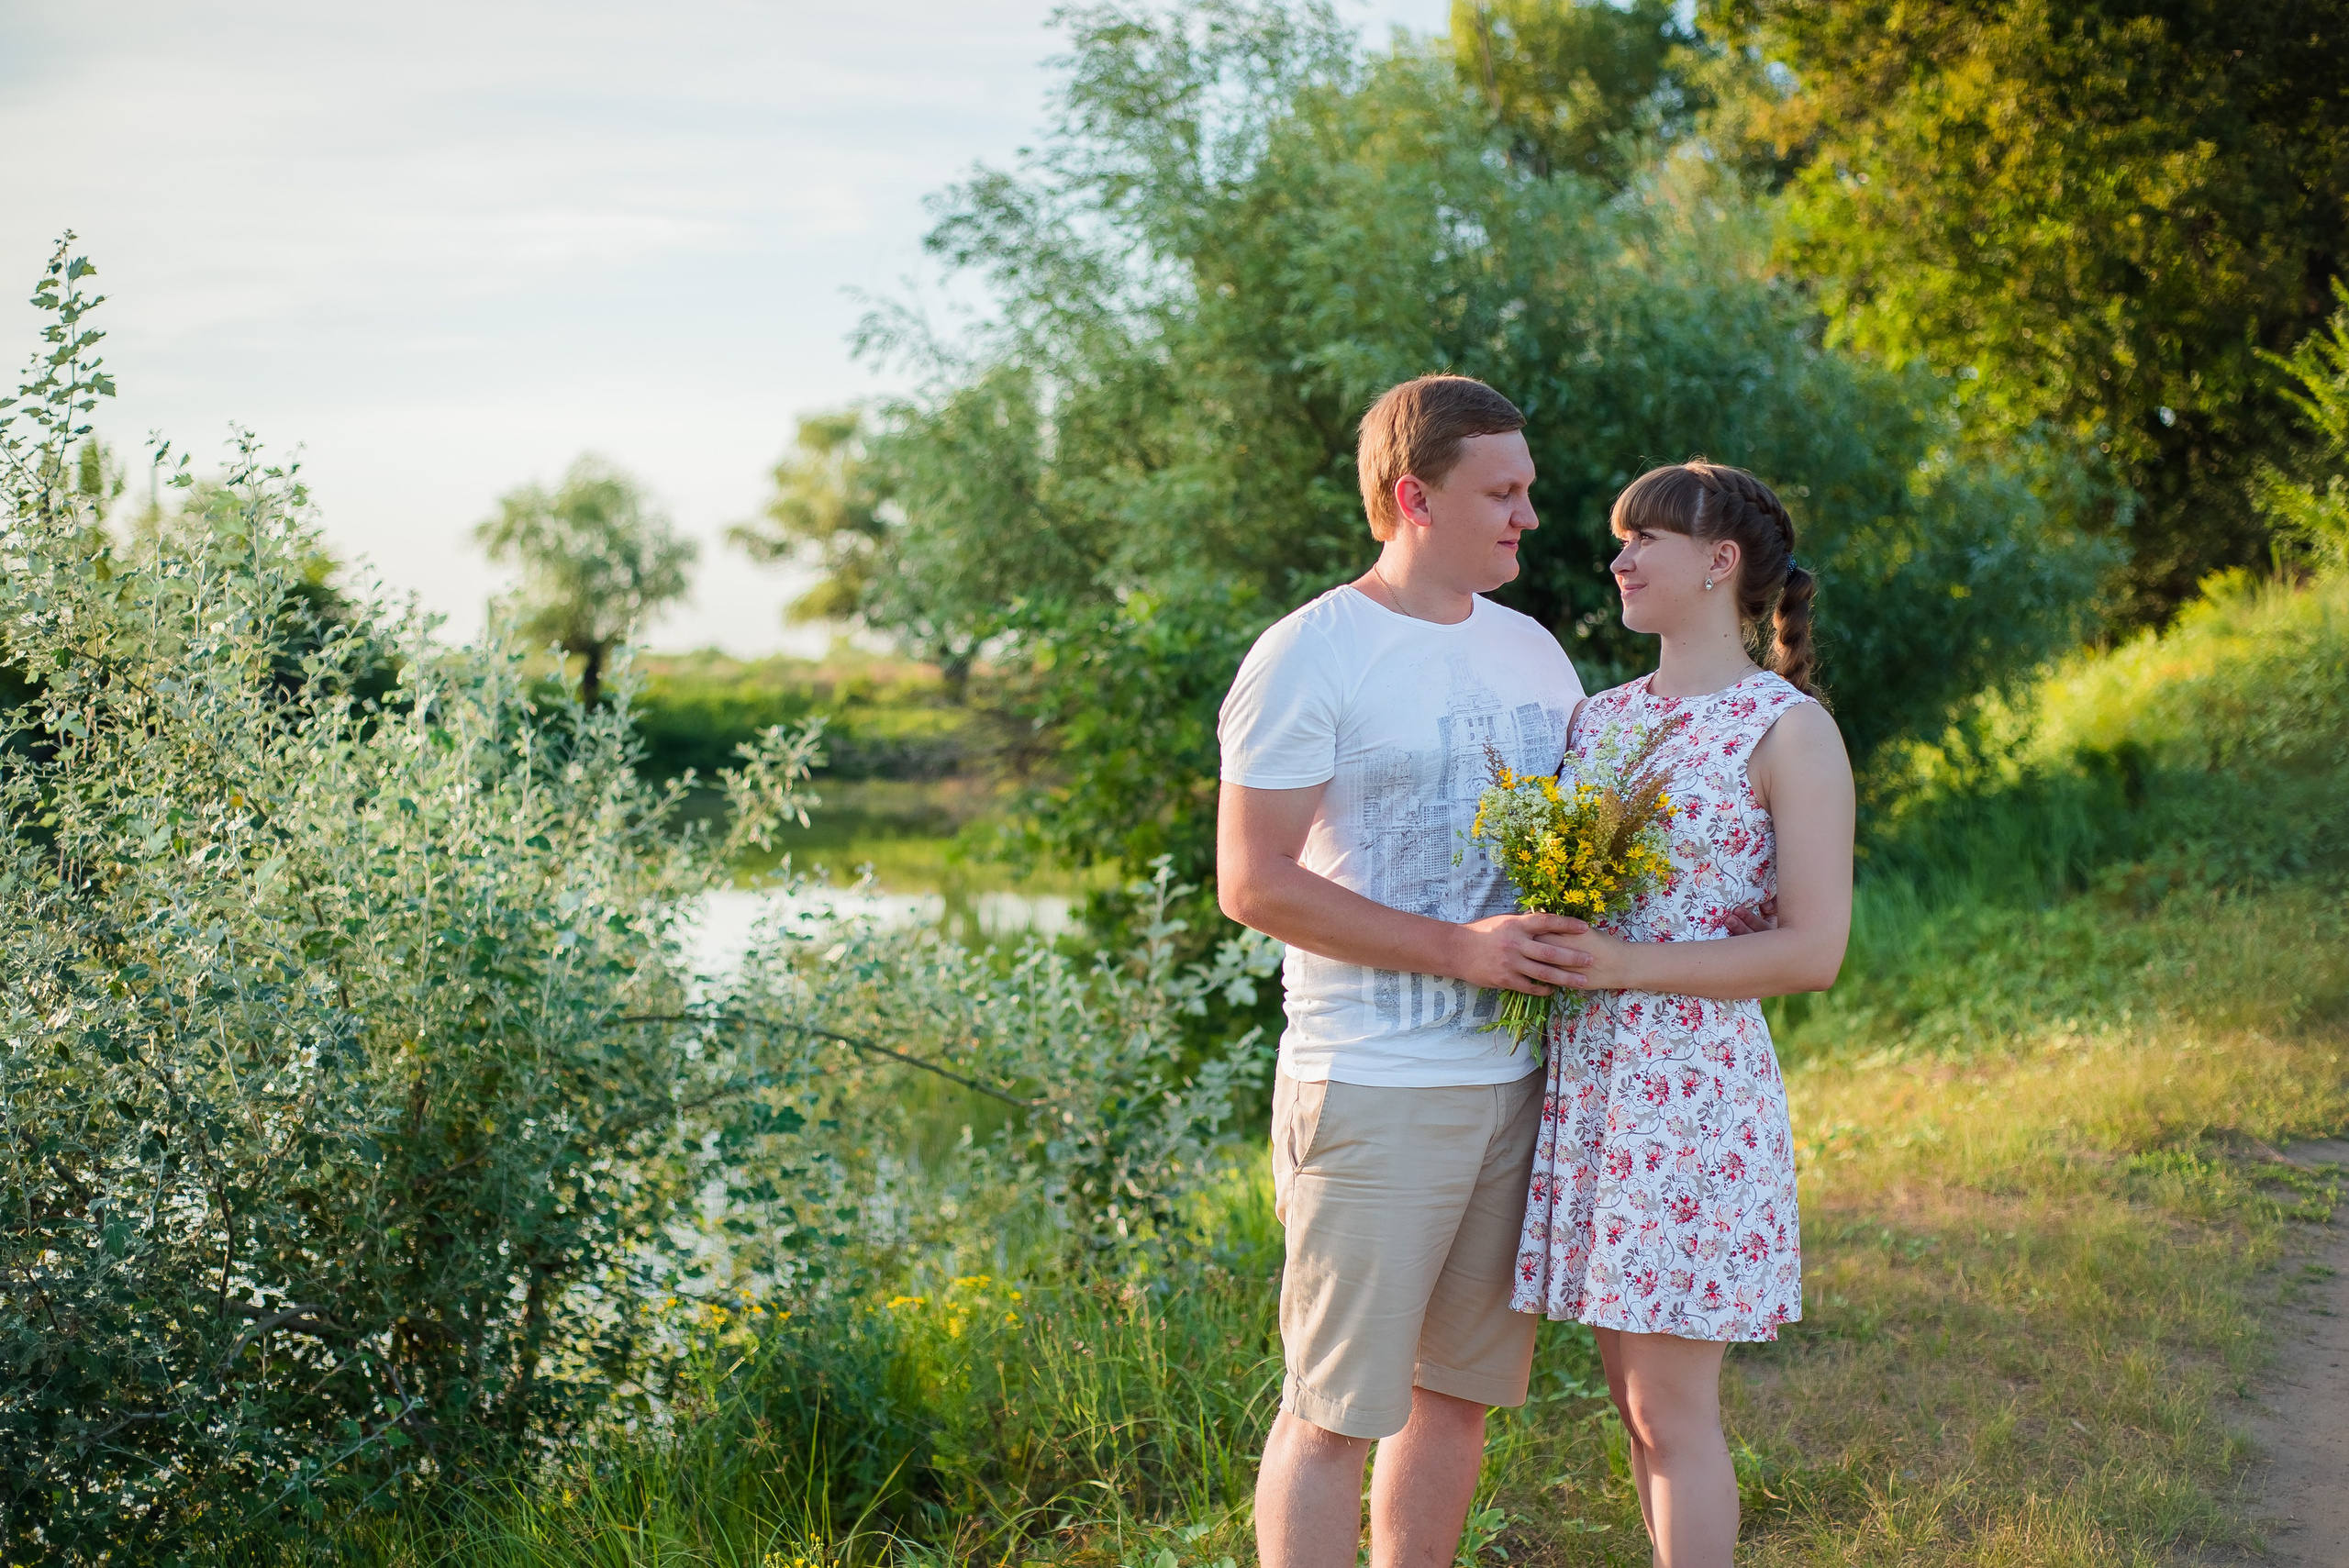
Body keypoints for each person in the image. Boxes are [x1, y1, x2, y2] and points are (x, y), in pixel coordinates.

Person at [1215, 374, 1591, 1568]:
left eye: (1528, 489)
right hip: (1372, 1090)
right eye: (1505, 491)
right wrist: (1457, 952)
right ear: (1414, 495)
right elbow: (1254, 881)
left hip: (1513, 1084)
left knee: (1458, 1396)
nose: (1529, 514)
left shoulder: (1535, 652)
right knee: (1331, 1415)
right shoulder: (1309, 654)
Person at [1513, 461, 1855, 1568]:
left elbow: (1812, 949)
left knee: (1672, 1412)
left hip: (1692, 1098)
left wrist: (1618, 962)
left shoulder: (1786, 729)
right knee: (1631, 1405)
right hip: (1596, 1085)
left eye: (1643, 537)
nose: (1618, 559)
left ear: (1720, 563)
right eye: (1618, 538)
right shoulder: (1600, 718)